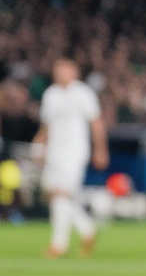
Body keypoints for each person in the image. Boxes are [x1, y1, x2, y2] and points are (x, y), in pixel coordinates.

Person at [36, 57, 107, 257]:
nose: (60, 73)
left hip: (74, 152)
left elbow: (96, 122)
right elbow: (46, 126)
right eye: (58, 70)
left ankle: (59, 244)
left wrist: (100, 150)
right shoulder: (50, 94)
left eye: (65, 70)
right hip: (54, 152)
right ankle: (87, 229)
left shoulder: (83, 93)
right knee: (54, 195)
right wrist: (39, 146)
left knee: (62, 194)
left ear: (74, 72)